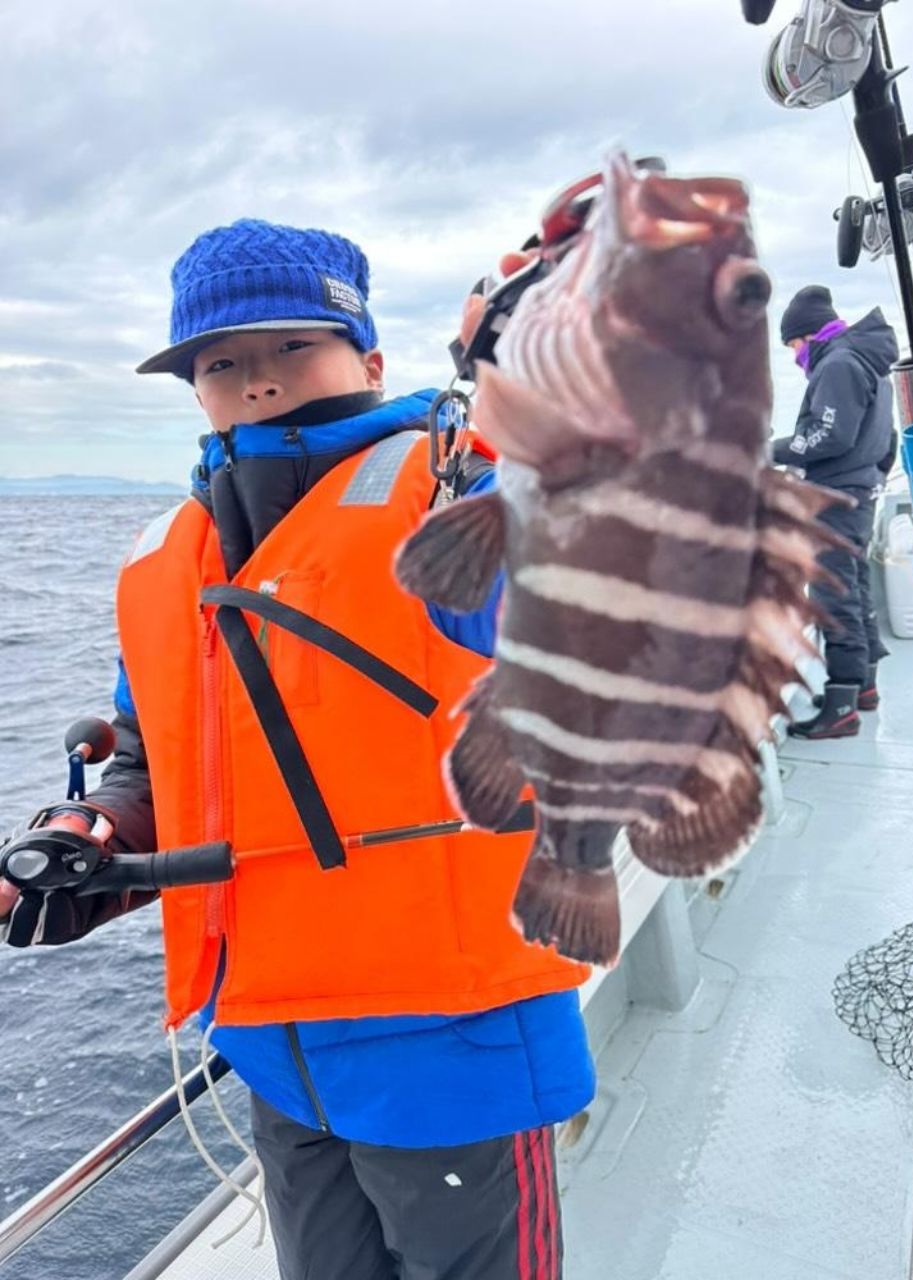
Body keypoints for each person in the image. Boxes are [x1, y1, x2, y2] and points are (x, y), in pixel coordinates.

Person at [0, 219, 595, 1279]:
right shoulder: (167, 557)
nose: (258, 380)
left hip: (452, 1042)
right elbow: (154, 758)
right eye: (220, 362)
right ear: (194, 389)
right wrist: (94, 837)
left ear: (370, 360)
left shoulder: (456, 494)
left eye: (291, 347)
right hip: (273, 1049)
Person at [772, 284, 899, 740]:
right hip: (859, 494)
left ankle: (841, 706)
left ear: (810, 335)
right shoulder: (869, 363)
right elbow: (888, 439)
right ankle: (863, 687)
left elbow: (830, 435)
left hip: (836, 498)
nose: (794, 357)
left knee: (833, 597)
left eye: (793, 346)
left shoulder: (839, 364)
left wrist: (771, 451)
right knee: (855, 590)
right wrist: (871, 477)